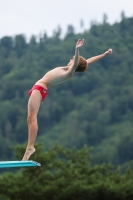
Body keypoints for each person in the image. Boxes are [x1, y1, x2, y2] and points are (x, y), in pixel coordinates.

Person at [22, 39, 112, 160]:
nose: (70, 59)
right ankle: (30, 147)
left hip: (39, 89)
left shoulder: (69, 72)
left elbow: (76, 63)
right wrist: (104, 54)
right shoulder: (67, 69)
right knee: (30, 118)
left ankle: (30, 147)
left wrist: (77, 49)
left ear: (75, 63)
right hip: (39, 90)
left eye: (73, 59)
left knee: (32, 118)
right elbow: (88, 61)